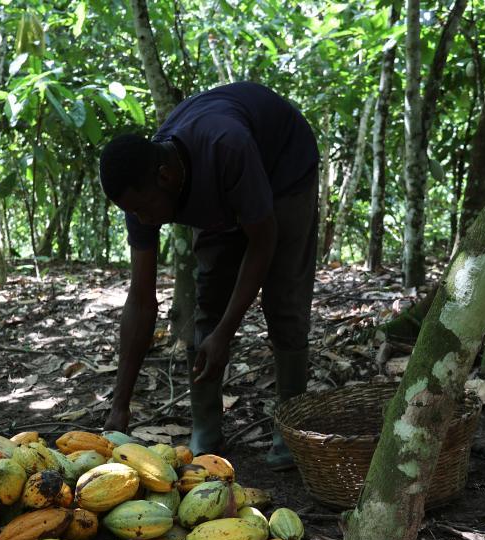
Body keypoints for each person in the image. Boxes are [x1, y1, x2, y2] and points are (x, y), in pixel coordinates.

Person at [98, 81, 319, 471]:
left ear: (166, 177)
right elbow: (141, 298)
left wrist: (227, 333)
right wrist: (120, 405)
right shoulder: (143, 193)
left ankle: (292, 423)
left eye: (145, 211)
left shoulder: (225, 145)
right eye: (133, 213)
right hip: (218, 192)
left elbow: (263, 242)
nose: (143, 221)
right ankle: (206, 429)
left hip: (283, 169)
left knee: (284, 299)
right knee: (210, 297)